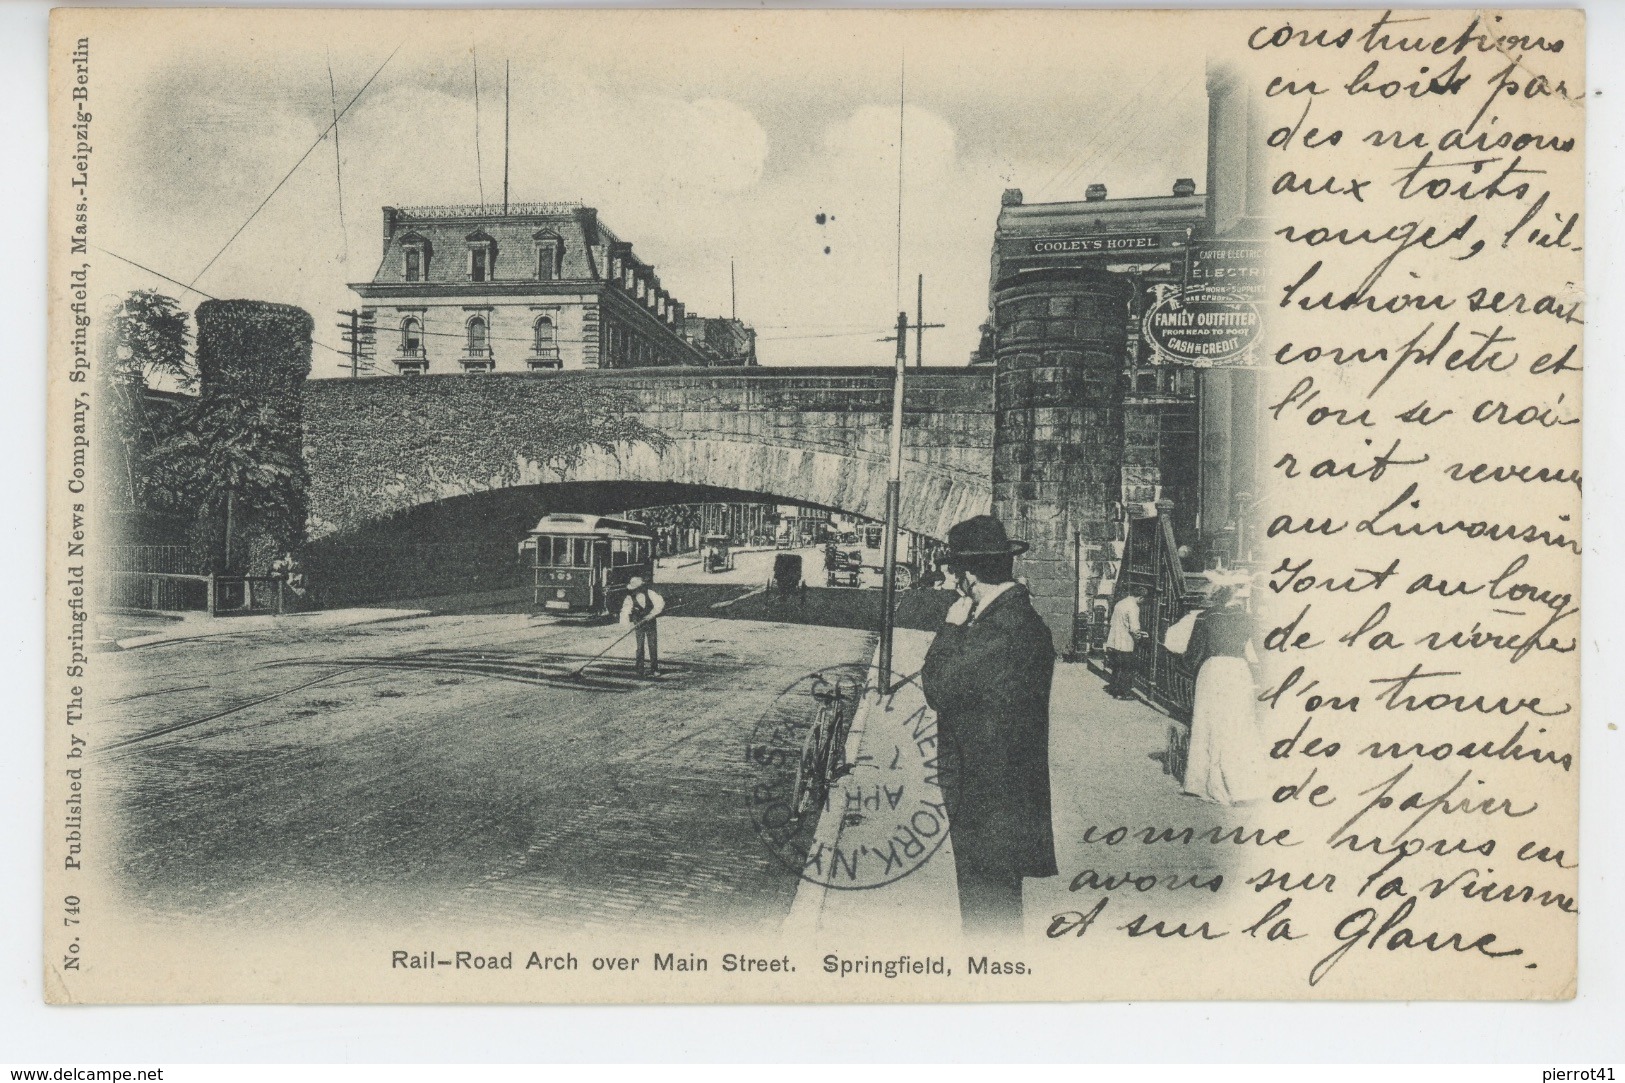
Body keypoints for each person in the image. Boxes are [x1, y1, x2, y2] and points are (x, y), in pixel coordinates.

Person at [920, 514, 1058, 938]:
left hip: (991, 795)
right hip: (996, 792)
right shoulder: (1009, 621)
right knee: (991, 906)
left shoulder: (1003, 627)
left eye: (955, 576)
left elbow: (938, 687)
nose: (952, 586)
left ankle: (992, 986)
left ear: (971, 577)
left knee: (989, 913)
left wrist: (949, 628)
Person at [1176, 582, 1265, 804]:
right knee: (1239, 724)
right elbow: (1262, 650)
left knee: (1208, 724)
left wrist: (1184, 666)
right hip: (1238, 671)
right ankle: (1244, 787)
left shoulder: (1206, 617)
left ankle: (1203, 783)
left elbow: (1194, 652)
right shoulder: (1248, 619)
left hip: (1213, 670)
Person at [1104, 586, 1147, 698]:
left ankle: (1114, 689)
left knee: (1117, 666)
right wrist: (1140, 637)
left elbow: (1113, 621)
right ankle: (1124, 693)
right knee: (1127, 668)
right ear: (1141, 597)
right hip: (1125, 641)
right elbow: (1134, 628)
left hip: (1114, 639)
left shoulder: (1120, 603)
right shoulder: (1133, 607)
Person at [619, 575, 665, 678]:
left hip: (650, 622)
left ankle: (654, 669)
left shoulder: (650, 593)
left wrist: (651, 615)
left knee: (652, 645)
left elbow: (660, 604)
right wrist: (626, 625)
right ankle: (640, 669)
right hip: (638, 623)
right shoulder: (629, 598)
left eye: (636, 589)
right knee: (639, 646)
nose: (634, 591)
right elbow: (625, 611)